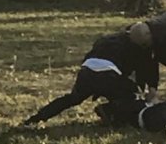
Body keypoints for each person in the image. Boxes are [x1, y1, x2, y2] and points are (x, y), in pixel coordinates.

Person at [22, 30, 153, 125]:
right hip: (108, 74)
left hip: (87, 70)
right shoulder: (135, 46)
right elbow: (139, 70)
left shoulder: (106, 39)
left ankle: (37, 118)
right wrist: (144, 88)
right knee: (130, 96)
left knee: (72, 99)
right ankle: (110, 112)